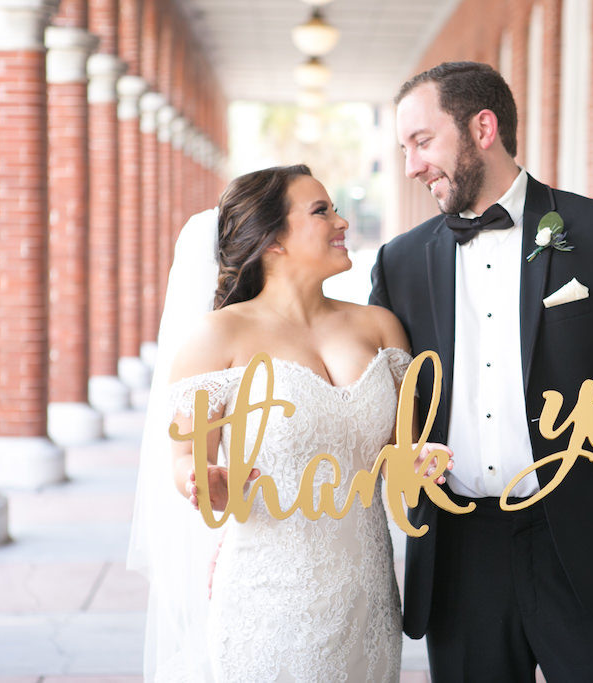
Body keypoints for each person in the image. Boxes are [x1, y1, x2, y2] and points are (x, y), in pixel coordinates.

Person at [370, 62, 593, 681]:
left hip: (587, 540)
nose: (412, 165)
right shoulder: (400, 263)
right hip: (459, 556)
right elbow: (380, 403)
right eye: (404, 148)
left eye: (422, 142)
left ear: (483, 128)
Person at [129, 165, 422, 681]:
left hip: (371, 599)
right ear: (273, 241)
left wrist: (424, 464)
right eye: (321, 211)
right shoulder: (216, 338)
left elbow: (404, 453)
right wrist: (203, 482)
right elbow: (182, 460)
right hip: (270, 602)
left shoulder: (379, 326)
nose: (342, 222)